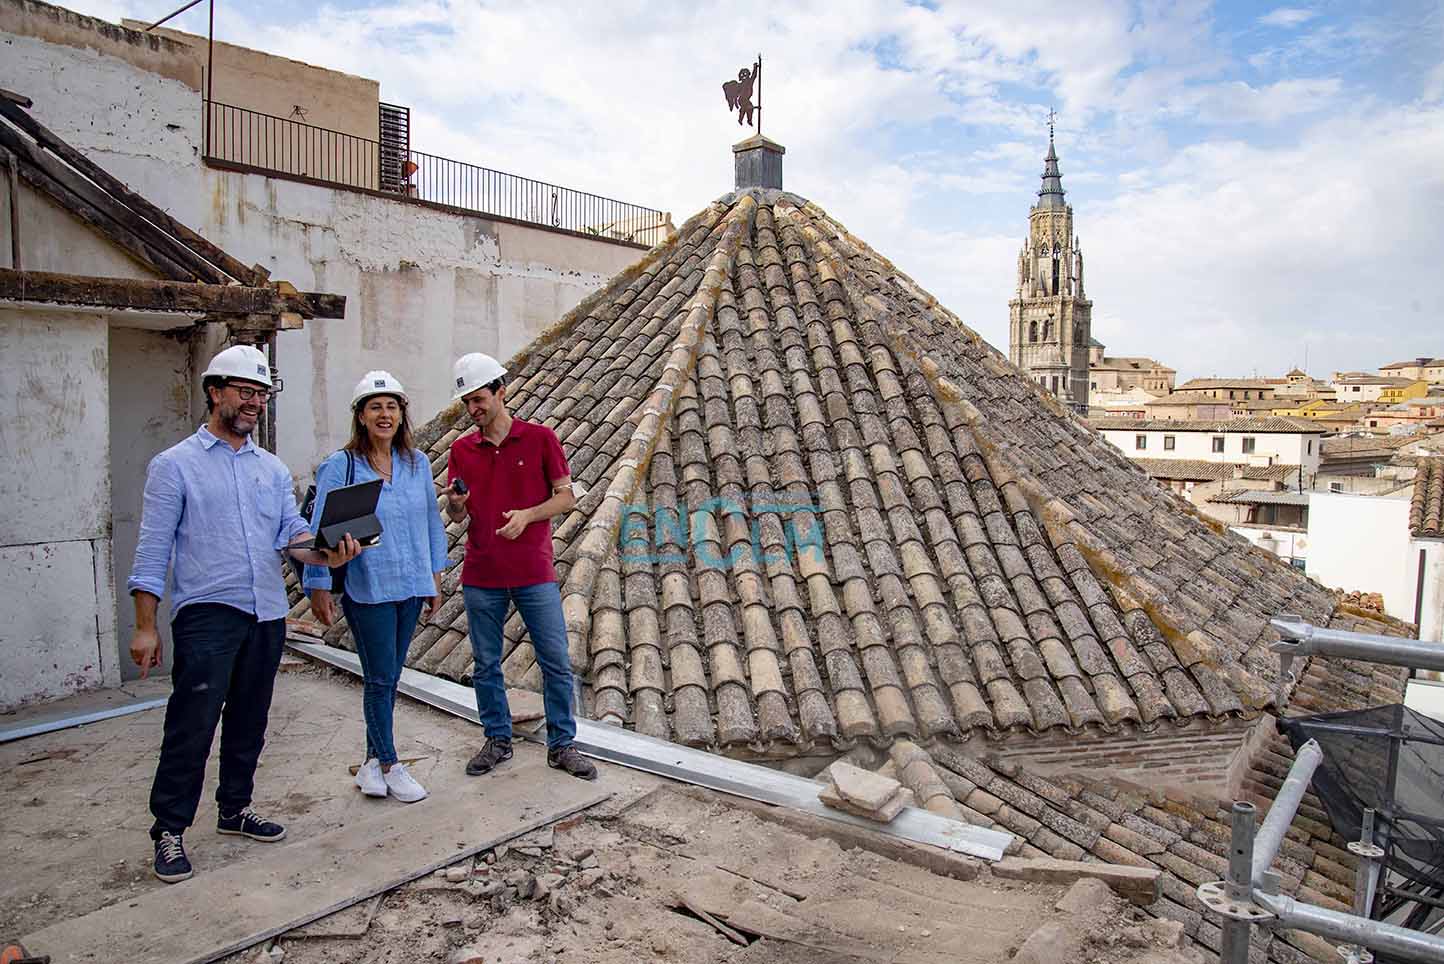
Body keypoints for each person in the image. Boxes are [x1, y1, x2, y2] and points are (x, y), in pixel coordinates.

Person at [128, 345, 360, 884]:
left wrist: (327, 551)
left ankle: (234, 809)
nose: (255, 403)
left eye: (261, 394)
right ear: (215, 392)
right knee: (192, 724)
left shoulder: (272, 469)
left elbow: (291, 539)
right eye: (245, 392)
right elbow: (151, 550)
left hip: (266, 613)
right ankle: (169, 828)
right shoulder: (174, 466)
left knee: (251, 720)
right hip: (208, 612)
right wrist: (145, 625)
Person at [444, 352, 597, 781]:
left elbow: (567, 497)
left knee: (555, 660)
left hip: (533, 570)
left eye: (479, 399)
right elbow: (459, 516)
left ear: (500, 392)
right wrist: (456, 505)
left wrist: (528, 515)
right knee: (486, 664)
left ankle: (562, 745)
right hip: (481, 572)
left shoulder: (540, 438)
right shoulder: (461, 449)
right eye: (467, 403)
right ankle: (497, 739)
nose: (474, 409)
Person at [305, 370, 447, 804]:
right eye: (375, 407)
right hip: (369, 586)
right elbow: (319, 532)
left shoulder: (416, 463)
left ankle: (370, 764)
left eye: (392, 406)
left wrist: (435, 578)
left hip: (410, 583)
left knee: (388, 676)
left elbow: (429, 523)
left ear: (402, 413)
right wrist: (318, 587)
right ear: (361, 416)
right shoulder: (341, 465)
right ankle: (390, 763)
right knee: (381, 678)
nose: (385, 415)